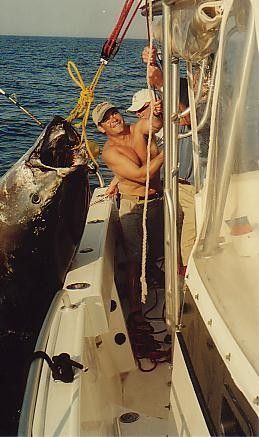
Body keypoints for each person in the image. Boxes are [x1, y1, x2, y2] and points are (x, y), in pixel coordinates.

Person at [92, 100, 166, 359]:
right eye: (106, 118)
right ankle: (135, 311)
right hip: (133, 207)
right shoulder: (109, 152)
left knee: (160, 251)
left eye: (114, 112)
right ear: (101, 129)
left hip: (158, 201)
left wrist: (158, 113)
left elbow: (154, 125)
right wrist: (166, 153)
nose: (113, 117)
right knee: (134, 261)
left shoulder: (138, 129)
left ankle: (158, 284)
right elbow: (141, 175)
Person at [142, 46, 196, 273]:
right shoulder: (182, 85)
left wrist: (163, 84)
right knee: (173, 232)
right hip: (176, 178)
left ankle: (188, 282)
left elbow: (189, 119)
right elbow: (162, 78)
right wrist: (152, 61)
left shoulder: (217, 91)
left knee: (191, 238)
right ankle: (176, 274)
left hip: (197, 183)